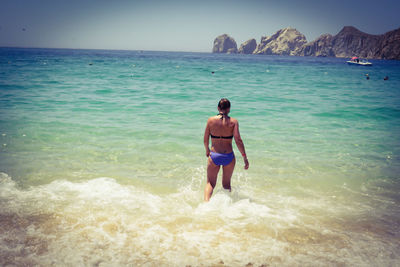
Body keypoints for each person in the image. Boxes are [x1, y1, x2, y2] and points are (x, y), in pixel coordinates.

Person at [203, 98, 249, 201]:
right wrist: (244, 157)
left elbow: (205, 139)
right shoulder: (234, 122)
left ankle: (205, 205)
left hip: (214, 155)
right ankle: (226, 206)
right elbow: (238, 140)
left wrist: (207, 150)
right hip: (228, 156)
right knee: (226, 184)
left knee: (210, 183)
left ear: (218, 108)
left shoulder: (210, 120)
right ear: (229, 109)